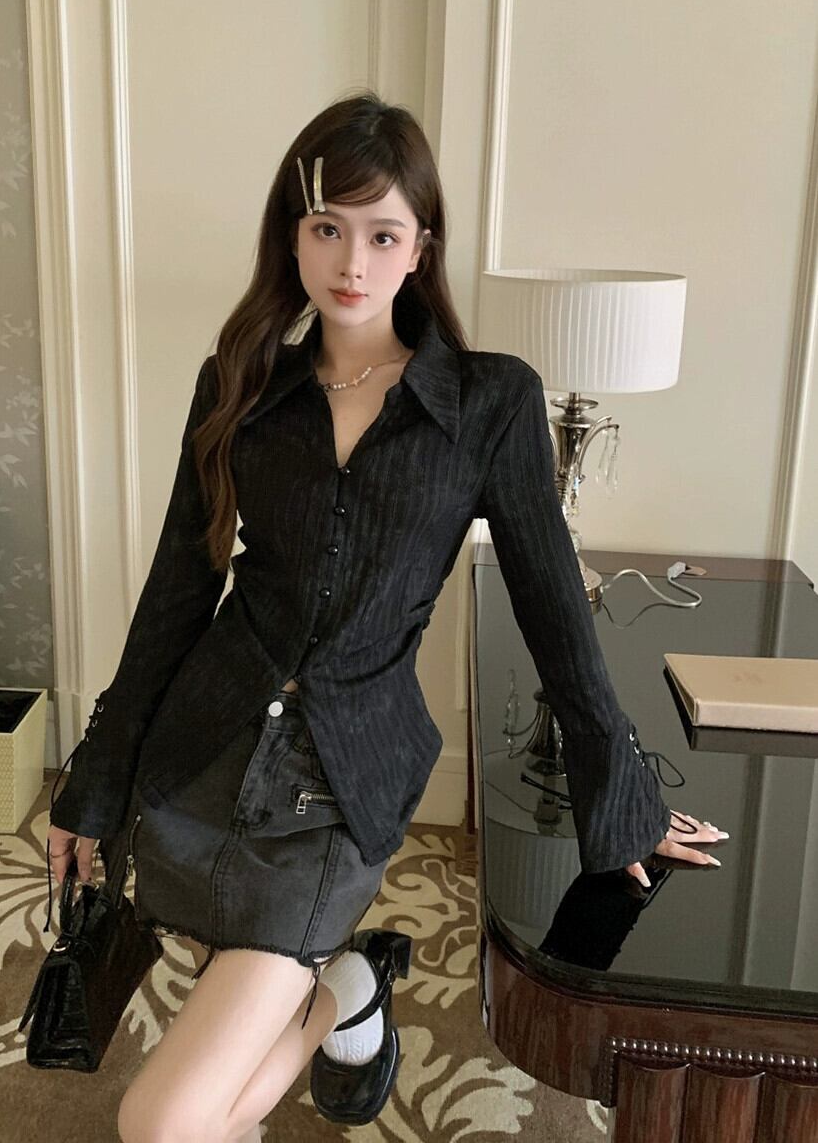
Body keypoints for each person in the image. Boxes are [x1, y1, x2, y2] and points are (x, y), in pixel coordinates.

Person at [45, 90, 727, 1143]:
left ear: (421, 248)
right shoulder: (237, 384)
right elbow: (177, 595)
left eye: (382, 233)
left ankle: (336, 989)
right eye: (327, 228)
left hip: (342, 781)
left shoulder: (490, 402)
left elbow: (553, 608)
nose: (352, 261)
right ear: (293, 237)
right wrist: (93, 782)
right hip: (207, 747)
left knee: (163, 1119)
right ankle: (346, 992)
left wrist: (622, 795)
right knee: (216, 1104)